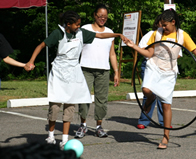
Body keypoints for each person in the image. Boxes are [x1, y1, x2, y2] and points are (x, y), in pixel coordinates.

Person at [25, 10, 127, 149]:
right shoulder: (58, 33)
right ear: (68, 24)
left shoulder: (81, 33)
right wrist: (31, 61)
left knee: (70, 106)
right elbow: (41, 45)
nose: (79, 26)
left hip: (74, 71)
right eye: (77, 24)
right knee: (55, 107)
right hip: (59, 72)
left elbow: (100, 35)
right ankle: (51, 135)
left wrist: (118, 35)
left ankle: (65, 140)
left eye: (79, 24)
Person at [125, 8, 196, 149]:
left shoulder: (182, 35)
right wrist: (133, 46)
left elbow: (195, 51)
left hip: (169, 72)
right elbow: (149, 52)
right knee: (146, 90)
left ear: (173, 22)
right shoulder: (156, 34)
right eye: (162, 25)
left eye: (165, 25)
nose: (162, 27)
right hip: (154, 66)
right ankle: (151, 98)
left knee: (166, 104)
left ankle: (165, 137)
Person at [75, 4, 119, 138]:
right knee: (84, 98)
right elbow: (77, 48)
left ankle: (99, 126)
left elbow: (112, 54)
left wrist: (116, 71)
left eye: (105, 17)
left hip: (103, 71)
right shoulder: (84, 29)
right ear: (94, 15)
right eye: (100, 16)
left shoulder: (110, 32)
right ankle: (83, 125)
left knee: (102, 100)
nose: (102, 19)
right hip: (86, 69)